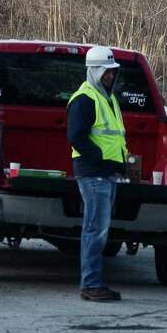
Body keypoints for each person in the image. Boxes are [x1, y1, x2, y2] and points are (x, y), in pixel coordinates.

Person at [67, 46, 128, 302]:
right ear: (94, 71)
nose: (110, 77)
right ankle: (91, 284)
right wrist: (100, 160)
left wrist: (120, 164)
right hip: (94, 175)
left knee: (98, 229)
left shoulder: (107, 99)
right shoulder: (85, 98)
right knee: (96, 230)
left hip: (106, 174)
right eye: (106, 72)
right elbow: (76, 137)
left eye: (112, 72)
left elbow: (113, 137)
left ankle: (93, 282)